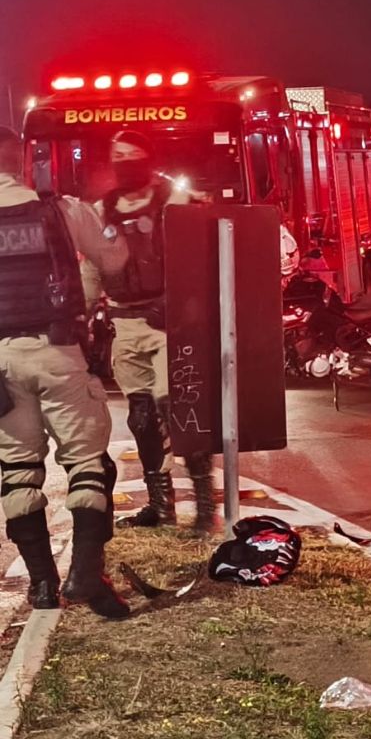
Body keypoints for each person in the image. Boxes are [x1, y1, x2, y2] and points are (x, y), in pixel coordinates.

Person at [0, 126, 129, 618]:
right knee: (88, 464)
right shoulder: (61, 210)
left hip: (0, 365)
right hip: (56, 351)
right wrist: (108, 223)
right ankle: (84, 576)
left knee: (17, 473)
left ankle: (41, 588)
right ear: (23, 159)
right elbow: (113, 258)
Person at [87, 129, 216, 532]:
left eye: (131, 154)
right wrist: (81, 313)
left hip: (168, 325)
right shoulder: (101, 210)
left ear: (148, 158)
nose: (123, 161)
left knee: (179, 410)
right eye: (116, 154)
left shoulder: (173, 201)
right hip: (124, 324)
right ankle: (161, 507)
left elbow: (203, 252)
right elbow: (91, 267)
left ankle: (205, 504)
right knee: (141, 419)